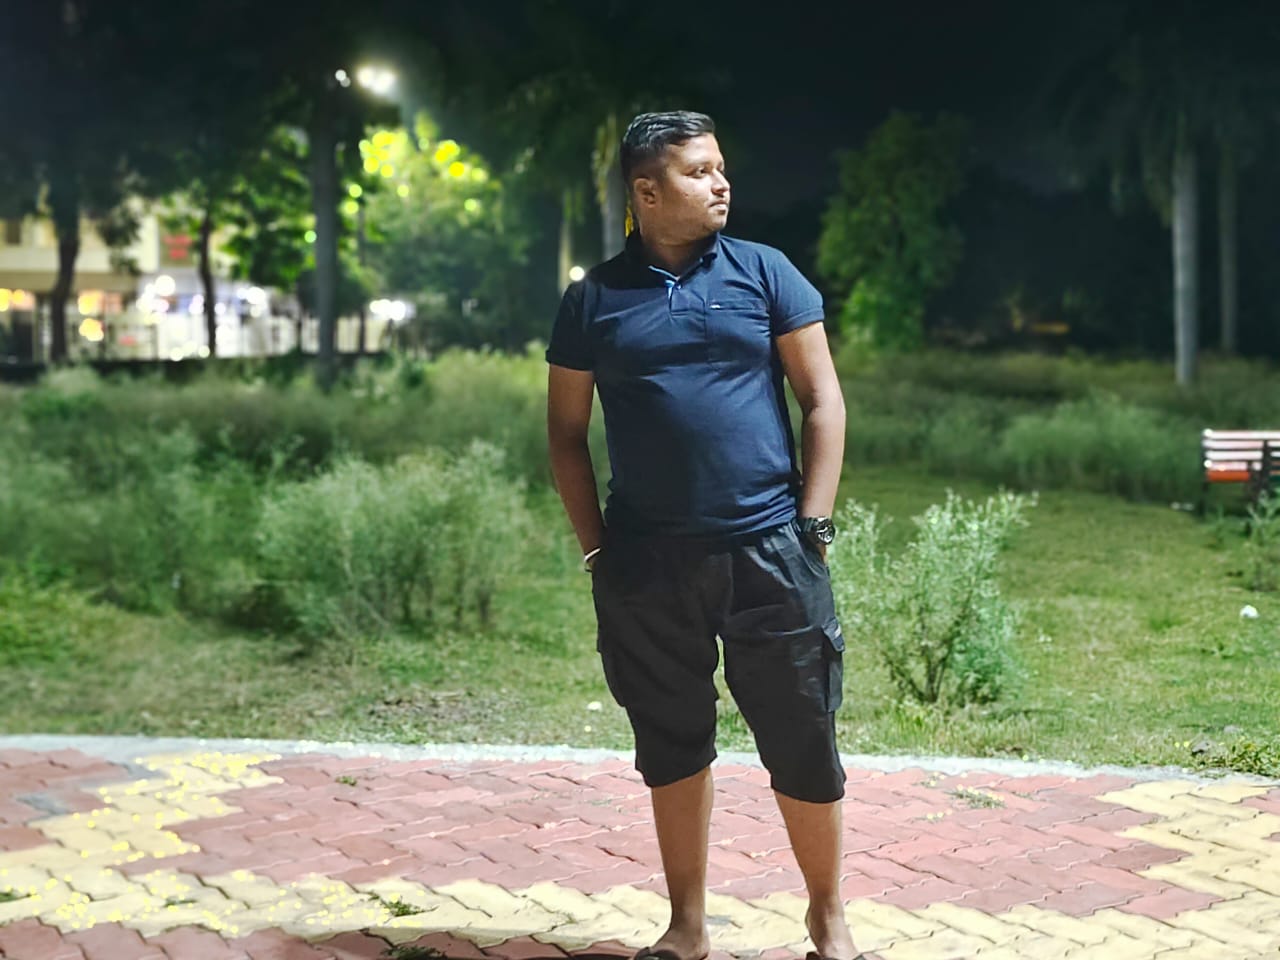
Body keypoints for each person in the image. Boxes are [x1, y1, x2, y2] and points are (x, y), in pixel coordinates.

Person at [546, 111, 860, 960]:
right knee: (671, 742)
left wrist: (813, 525)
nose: (721, 183)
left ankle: (828, 919)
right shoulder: (594, 299)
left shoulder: (766, 272)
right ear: (647, 192)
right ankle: (686, 927)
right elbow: (566, 436)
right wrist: (598, 549)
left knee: (803, 735)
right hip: (647, 563)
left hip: (770, 552)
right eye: (698, 171)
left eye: (720, 168)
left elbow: (823, 401)